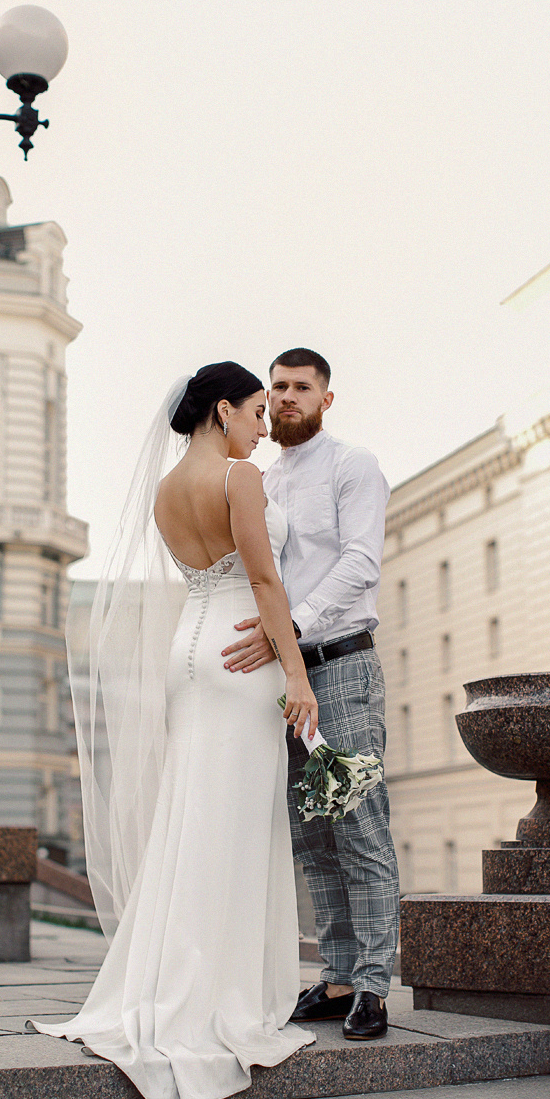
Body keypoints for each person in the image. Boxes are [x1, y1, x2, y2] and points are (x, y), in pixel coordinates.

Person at [30, 362, 317, 1099]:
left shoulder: (163, 492)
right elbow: (262, 582)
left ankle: (166, 984)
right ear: (222, 411)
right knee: (235, 827)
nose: (263, 427)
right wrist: (296, 674)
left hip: (187, 655)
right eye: (256, 411)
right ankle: (216, 997)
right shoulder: (239, 480)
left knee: (191, 818)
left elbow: (205, 573)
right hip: (239, 655)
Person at [222, 347, 400, 1041]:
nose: (287, 398)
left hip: (342, 665)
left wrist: (288, 629)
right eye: (278, 389)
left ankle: (375, 987)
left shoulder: (353, 465)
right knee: (313, 834)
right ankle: (335, 976)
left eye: (301, 387)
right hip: (284, 675)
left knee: (360, 824)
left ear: (327, 397)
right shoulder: (263, 478)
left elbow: (361, 562)